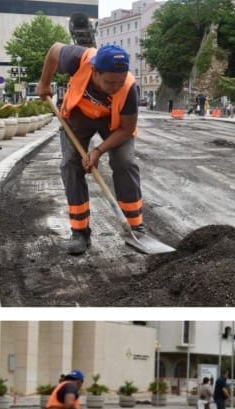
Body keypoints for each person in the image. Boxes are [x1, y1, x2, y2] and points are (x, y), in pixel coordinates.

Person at [38, 43, 147, 255]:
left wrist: (98, 151)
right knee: (71, 163)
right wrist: (44, 83)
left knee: (125, 162)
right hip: (79, 115)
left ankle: (135, 227)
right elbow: (52, 51)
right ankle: (80, 232)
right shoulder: (77, 58)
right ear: (95, 71)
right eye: (110, 82)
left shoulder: (129, 88)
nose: (116, 87)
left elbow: (127, 129)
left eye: (120, 81)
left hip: (113, 123)